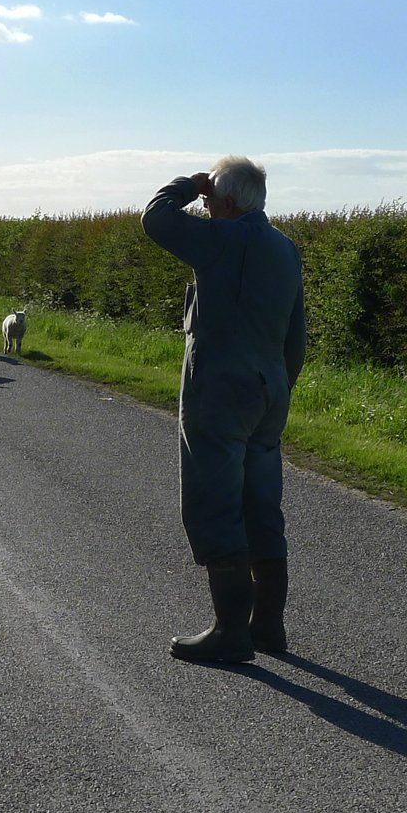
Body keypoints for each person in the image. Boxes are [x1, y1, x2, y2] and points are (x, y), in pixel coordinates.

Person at [142, 155, 306, 664]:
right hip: (270, 391)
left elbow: (155, 218)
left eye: (211, 196)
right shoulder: (285, 249)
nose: (206, 203)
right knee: (262, 504)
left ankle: (230, 633)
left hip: (221, 392)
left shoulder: (222, 239)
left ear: (227, 201)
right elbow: (296, 333)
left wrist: (185, 186)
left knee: (214, 501)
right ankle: (268, 626)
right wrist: (279, 386)